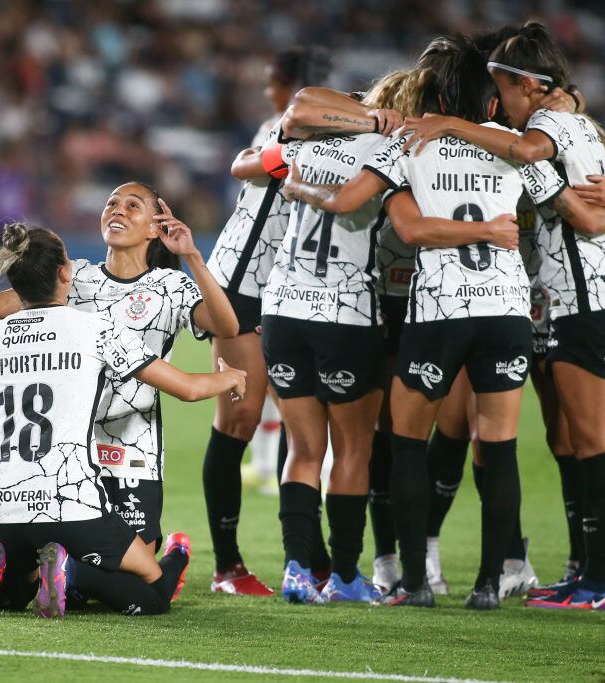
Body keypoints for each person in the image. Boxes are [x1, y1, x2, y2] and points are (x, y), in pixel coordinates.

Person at [284, 34, 605, 609]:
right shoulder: (513, 145)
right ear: (489, 100)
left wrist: (294, 182)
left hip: (439, 310)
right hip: (507, 310)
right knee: (500, 446)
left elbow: (364, 209)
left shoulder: (407, 143)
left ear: (432, 92)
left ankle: (414, 581)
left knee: (408, 442)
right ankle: (493, 582)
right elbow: (581, 213)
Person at [402, 22, 605, 610]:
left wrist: (444, 124)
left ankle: (595, 579)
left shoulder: (538, 139)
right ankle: (571, 568)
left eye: (501, 87)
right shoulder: (581, 123)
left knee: (587, 440)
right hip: (547, 300)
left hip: (579, 300)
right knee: (559, 436)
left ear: (523, 85)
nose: (496, 101)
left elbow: (578, 203)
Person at [0, 222, 247, 617]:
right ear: (66, 274)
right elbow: (187, 388)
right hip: (66, 496)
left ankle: (6, 570)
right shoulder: (95, 329)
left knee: (12, 601)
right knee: (154, 593)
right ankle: (72, 567)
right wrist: (232, 375)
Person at [262, 68, 424, 605]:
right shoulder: (394, 150)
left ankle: (296, 570)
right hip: (345, 310)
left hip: (284, 305)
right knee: (352, 449)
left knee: (303, 450)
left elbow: (301, 104)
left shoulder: (310, 136)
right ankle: (348, 577)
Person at [202, 48, 336, 596]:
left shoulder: (331, 134)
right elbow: (251, 164)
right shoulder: (282, 128)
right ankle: (228, 566)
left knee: (301, 420)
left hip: (289, 289)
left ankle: (305, 556)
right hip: (240, 287)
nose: (268, 94)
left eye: (273, 84)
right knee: (240, 418)